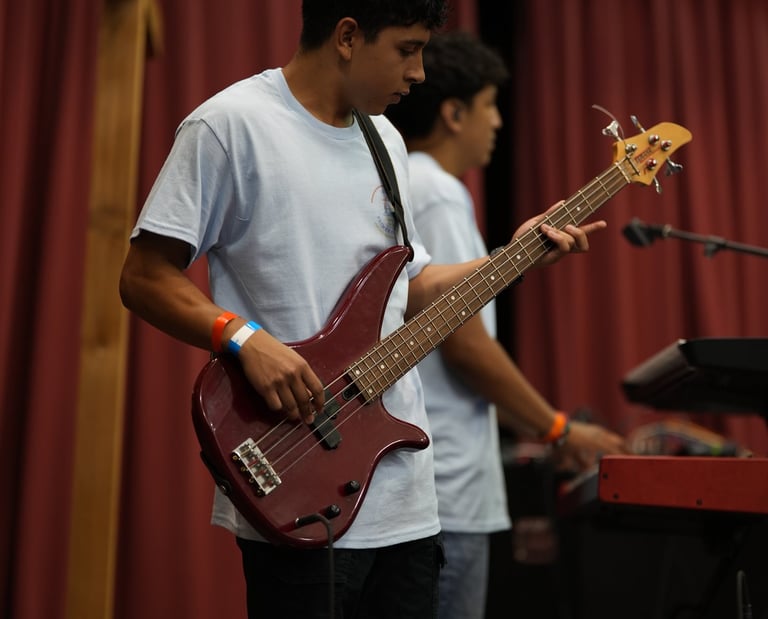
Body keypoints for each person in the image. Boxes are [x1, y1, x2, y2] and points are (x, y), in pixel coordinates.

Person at [119, 4, 606, 618]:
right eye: (407, 49)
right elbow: (144, 277)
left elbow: (411, 288)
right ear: (347, 36)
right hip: (296, 483)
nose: (420, 72)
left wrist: (514, 256)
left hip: (406, 501)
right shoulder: (230, 125)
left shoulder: (386, 139)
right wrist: (240, 336)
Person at [385, 30, 629, 619]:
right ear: (454, 113)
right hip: (447, 483)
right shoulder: (438, 191)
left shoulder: (411, 180)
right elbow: (463, 342)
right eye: (490, 105)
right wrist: (558, 429)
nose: (497, 121)